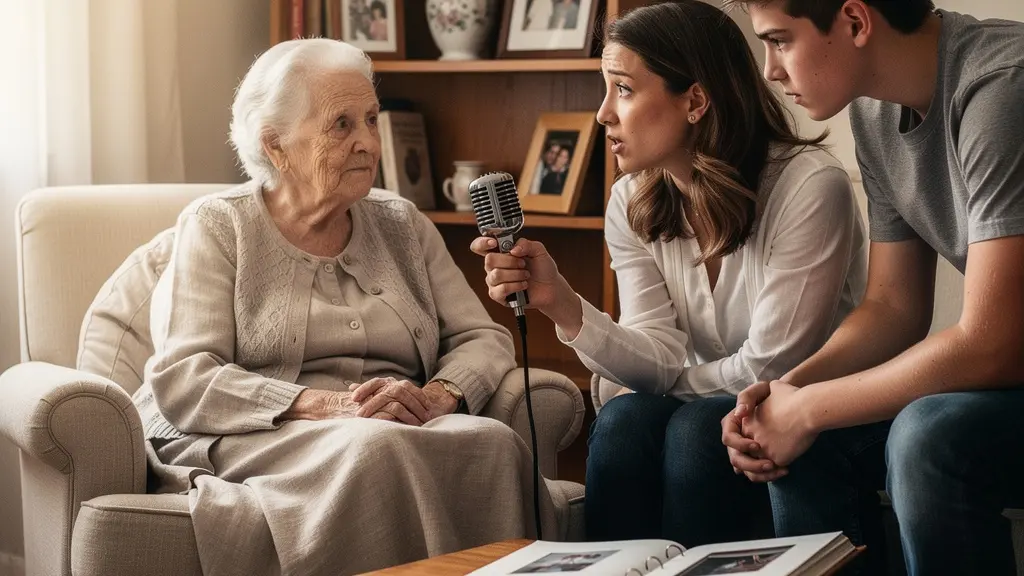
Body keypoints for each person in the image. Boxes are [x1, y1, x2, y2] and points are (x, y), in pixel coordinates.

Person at [134, 38, 557, 576]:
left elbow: (483, 338)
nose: (368, 143)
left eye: (371, 120)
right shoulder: (219, 225)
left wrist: (437, 396)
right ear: (275, 145)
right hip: (257, 430)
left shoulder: (402, 223)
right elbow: (185, 378)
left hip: (396, 424)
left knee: (493, 443)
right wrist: (329, 405)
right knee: (375, 448)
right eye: (342, 125)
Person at [471, 0, 873, 562]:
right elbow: (657, 352)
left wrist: (662, 384)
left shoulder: (810, 188)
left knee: (690, 426)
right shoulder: (630, 200)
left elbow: (769, 367)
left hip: (809, 411)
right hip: (710, 409)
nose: (602, 114)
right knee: (625, 419)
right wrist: (561, 302)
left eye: (623, 89)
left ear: (695, 101)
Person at [722, 1, 1024, 574]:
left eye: (780, 40)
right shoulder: (876, 112)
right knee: (805, 440)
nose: (769, 70)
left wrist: (809, 410)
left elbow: (995, 343)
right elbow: (892, 306)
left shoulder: (1003, 88)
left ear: (856, 22)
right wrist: (789, 392)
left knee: (926, 437)